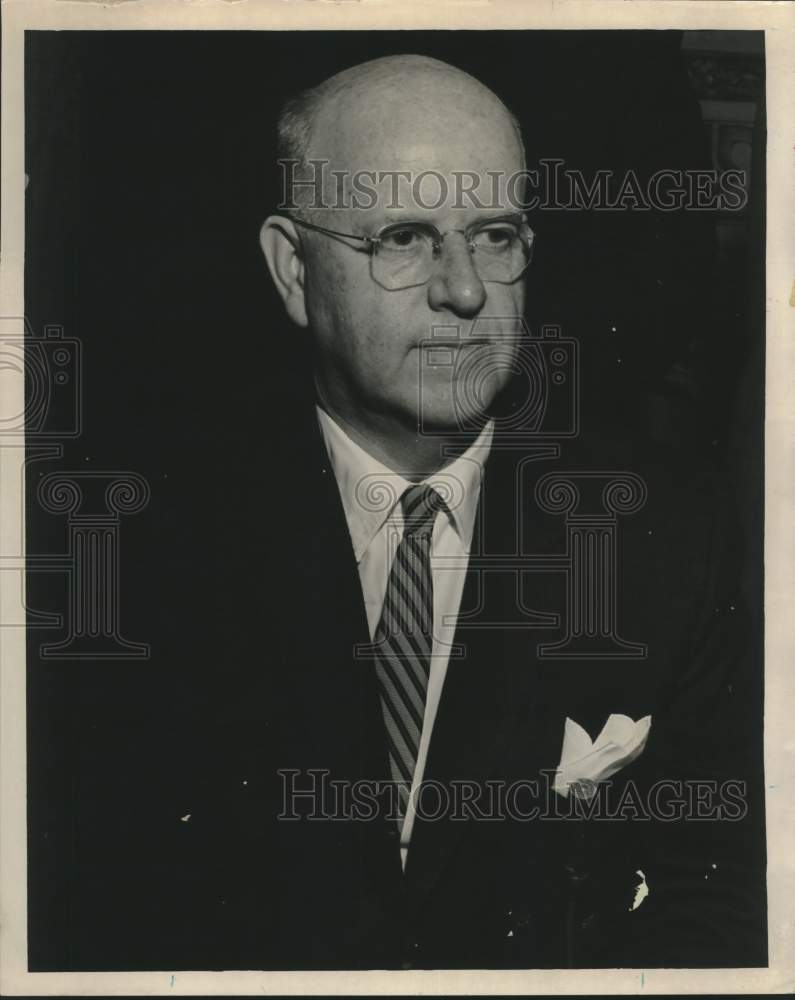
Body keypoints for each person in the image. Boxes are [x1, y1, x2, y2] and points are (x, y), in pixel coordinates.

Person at [59, 53, 766, 972]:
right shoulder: (138, 549)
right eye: (403, 237)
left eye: (496, 236)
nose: (464, 290)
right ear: (293, 270)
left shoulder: (659, 537)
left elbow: (715, 900)